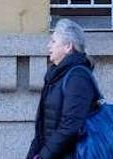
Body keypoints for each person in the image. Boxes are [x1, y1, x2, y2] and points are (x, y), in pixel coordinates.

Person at [27, 19, 99, 159]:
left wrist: (43, 156)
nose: (49, 46)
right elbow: (43, 127)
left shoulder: (78, 76)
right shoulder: (55, 76)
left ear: (68, 47)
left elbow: (70, 125)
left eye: (53, 41)